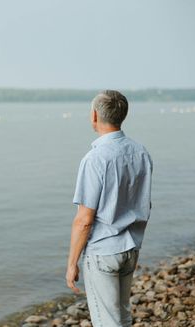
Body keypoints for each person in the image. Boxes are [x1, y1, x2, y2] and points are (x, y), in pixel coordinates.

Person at [65, 90, 153, 326]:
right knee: (122, 315)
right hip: (131, 247)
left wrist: (72, 264)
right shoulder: (141, 152)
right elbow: (145, 202)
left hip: (103, 252)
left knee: (107, 321)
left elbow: (84, 220)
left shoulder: (94, 159)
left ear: (94, 116)